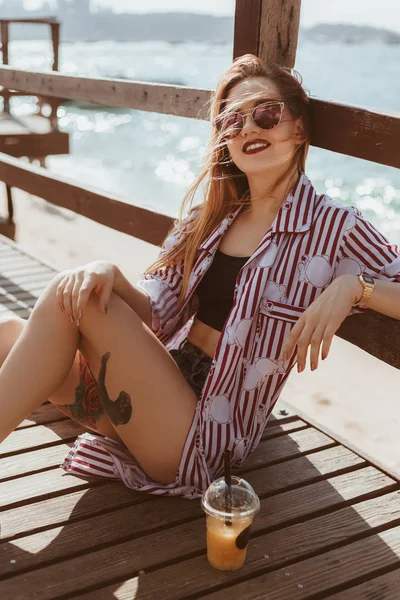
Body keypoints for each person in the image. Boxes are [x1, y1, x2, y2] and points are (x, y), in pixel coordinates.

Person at [1, 55, 399, 500]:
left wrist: (354, 288)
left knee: (59, 295)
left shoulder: (334, 227)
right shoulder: (207, 218)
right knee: (10, 329)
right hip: (150, 396)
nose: (248, 127)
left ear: (299, 128)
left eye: (266, 113)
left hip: (199, 439)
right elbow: (153, 313)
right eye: (232, 121)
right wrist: (108, 274)